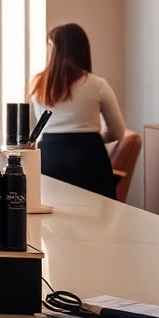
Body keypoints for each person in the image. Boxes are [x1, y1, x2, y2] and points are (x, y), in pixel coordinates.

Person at [29, 24, 125, 198]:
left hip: (49, 159)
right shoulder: (97, 85)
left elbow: (36, 129)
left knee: (52, 215)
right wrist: (92, 140)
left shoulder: (37, 84)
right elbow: (118, 131)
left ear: (54, 49)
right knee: (97, 217)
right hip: (88, 159)